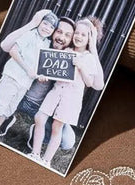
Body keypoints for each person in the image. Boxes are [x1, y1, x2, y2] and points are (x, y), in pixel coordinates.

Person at [0, 11, 105, 150]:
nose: (61, 37)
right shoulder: (42, 42)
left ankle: (37, 134)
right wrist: (32, 23)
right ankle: (4, 119)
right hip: (19, 92)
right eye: (59, 31)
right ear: (52, 31)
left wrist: (93, 48)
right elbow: (5, 46)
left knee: (68, 141)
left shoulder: (73, 56)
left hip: (42, 108)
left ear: (72, 39)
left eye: (67, 35)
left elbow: (98, 85)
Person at [29, 17, 104, 168]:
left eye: (83, 35)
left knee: (57, 128)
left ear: (90, 39)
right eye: (77, 33)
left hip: (71, 99)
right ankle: (35, 153)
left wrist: (81, 66)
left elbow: (90, 83)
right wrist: (45, 73)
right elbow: (55, 70)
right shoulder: (67, 51)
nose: (78, 36)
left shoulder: (89, 58)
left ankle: (46, 160)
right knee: (39, 117)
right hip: (56, 92)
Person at [0, 12, 58, 141]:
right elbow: (13, 51)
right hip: (14, 75)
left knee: (10, 108)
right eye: (45, 23)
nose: (47, 28)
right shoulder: (30, 34)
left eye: (51, 27)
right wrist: (28, 70)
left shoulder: (46, 43)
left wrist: (40, 74)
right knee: (1, 105)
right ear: (39, 22)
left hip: (26, 82)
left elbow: (39, 64)